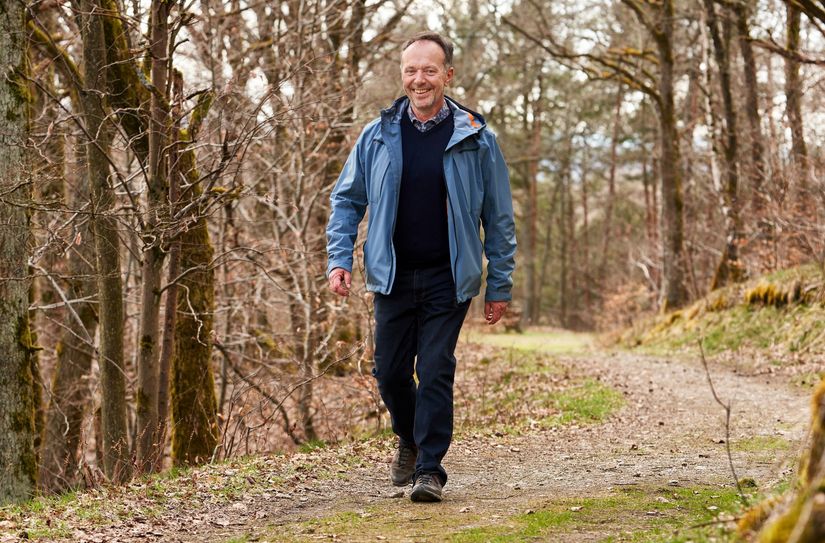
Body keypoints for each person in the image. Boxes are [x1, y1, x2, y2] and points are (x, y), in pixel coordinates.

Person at [326, 31, 516, 502]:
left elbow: (499, 217)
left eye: (429, 70)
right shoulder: (378, 134)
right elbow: (347, 201)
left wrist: (500, 284)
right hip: (391, 274)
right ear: (402, 75)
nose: (420, 79)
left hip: (449, 276)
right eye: (411, 70)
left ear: (448, 75)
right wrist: (339, 257)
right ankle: (409, 438)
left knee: (434, 368)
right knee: (389, 373)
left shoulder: (476, 138)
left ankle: (429, 468)